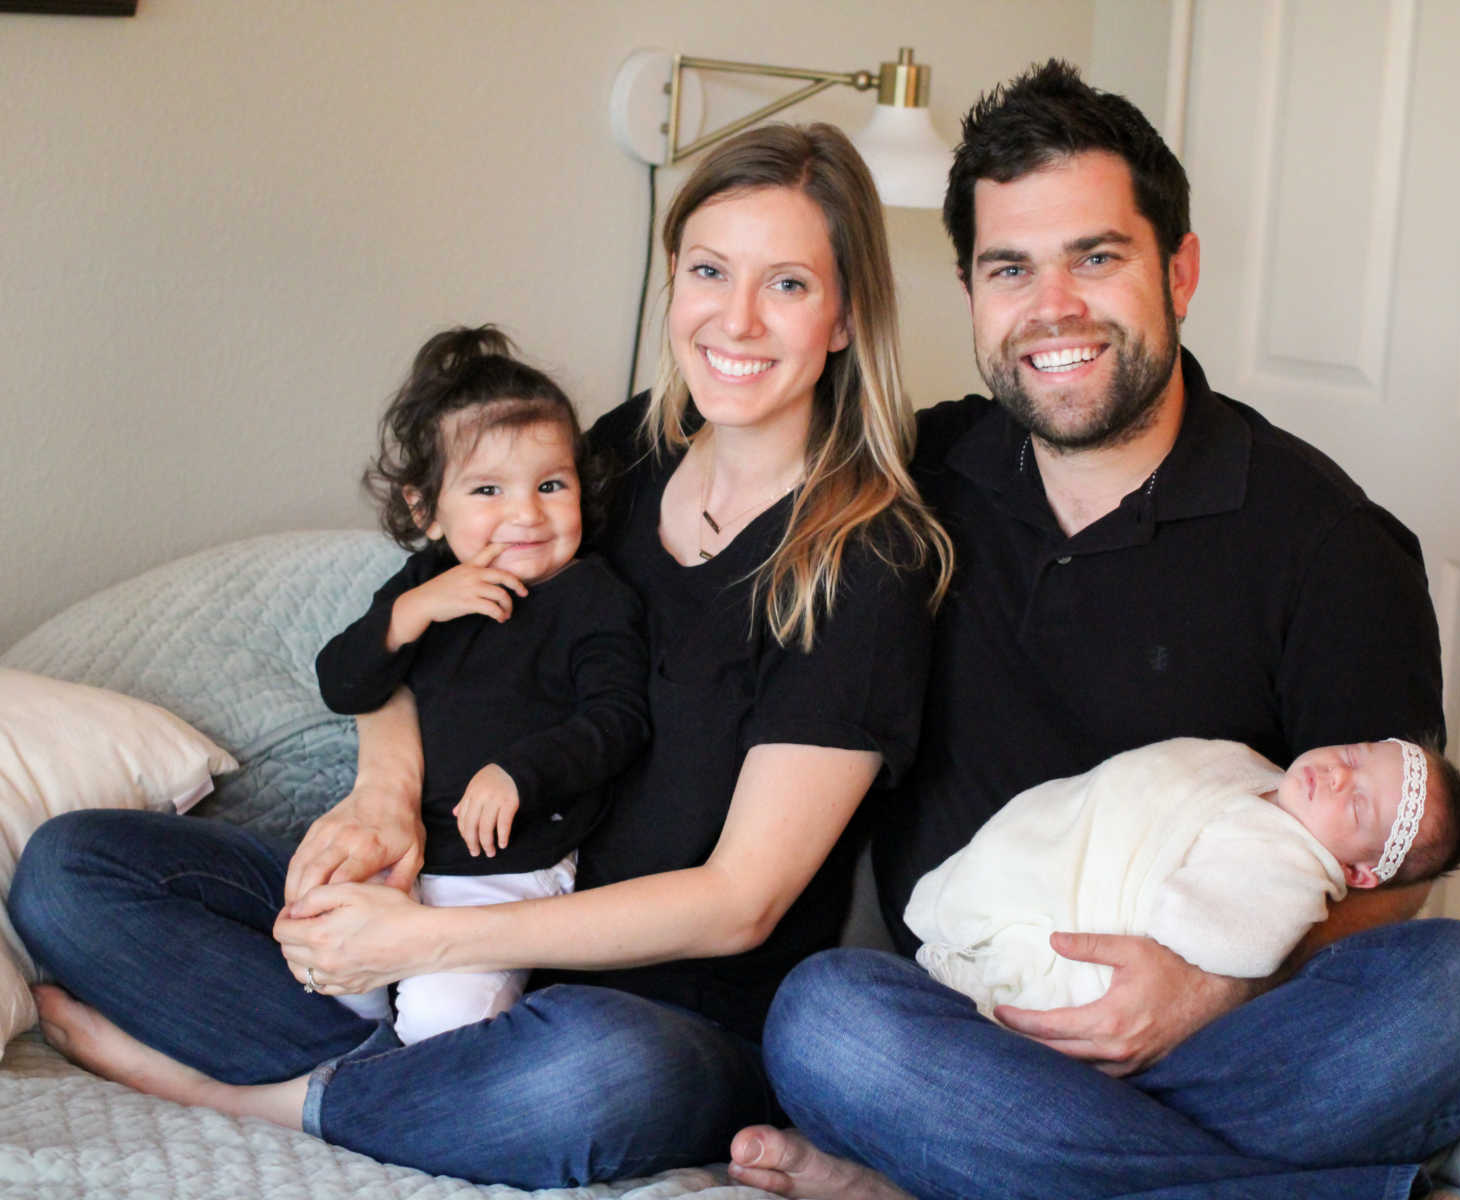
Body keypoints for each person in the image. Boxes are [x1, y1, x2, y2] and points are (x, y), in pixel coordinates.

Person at [11, 121, 951, 1190]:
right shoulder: (618, 460)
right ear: (675, 283)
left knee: (604, 1077)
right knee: (72, 872)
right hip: (457, 893)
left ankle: (254, 1097)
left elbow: (741, 901)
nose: (734, 319)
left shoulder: (863, 566)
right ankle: (419, 1083)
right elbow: (423, 603)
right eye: (708, 271)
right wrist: (383, 796)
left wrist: (412, 950)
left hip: (655, 1009)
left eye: (786, 283)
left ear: (843, 318)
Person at [728, 61, 1460, 1200]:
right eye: (1011, 269)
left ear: (1180, 269)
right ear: (970, 291)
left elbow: (1383, 871)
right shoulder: (910, 480)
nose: (1051, 309)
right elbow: (662, 473)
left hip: (1223, 1039)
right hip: (972, 1021)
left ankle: (954, 1173)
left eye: (1095, 258)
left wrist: (1212, 989)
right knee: (825, 1021)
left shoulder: (1328, 541)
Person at [313, 325, 650, 1044]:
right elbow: (342, 684)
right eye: (489, 489)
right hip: (404, 852)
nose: (526, 514)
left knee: (443, 1024)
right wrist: (405, 617)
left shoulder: (592, 596)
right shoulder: (426, 585)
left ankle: (406, 1057)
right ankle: (356, 1040)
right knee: (319, 952)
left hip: (507, 873)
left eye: (551, 485)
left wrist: (520, 772)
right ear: (425, 509)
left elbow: (618, 720)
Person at [907, 737, 1460, 1017]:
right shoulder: (1248, 767)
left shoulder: (1288, 874)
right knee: (832, 1000)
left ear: (1358, 871)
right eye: (1354, 758)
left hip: (1085, 979)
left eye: (1357, 807)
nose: (1335, 777)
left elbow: (1225, 941)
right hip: (1033, 854)